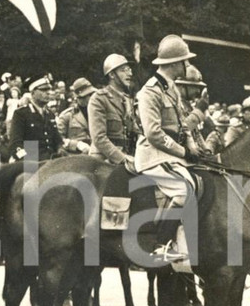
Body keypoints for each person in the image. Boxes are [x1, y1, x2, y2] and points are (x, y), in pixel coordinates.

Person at [135, 34, 212, 263]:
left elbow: (182, 124)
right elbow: (153, 133)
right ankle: (161, 244)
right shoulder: (149, 91)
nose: (186, 65)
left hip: (172, 154)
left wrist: (192, 147)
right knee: (183, 189)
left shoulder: (172, 90)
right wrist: (183, 152)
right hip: (152, 155)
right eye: (184, 61)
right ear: (172, 63)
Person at [88, 53, 138, 167]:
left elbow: (135, 131)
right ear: (112, 74)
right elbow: (99, 138)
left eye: (129, 69)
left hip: (126, 157)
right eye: (123, 70)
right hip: (102, 160)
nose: (129, 73)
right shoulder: (99, 99)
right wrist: (122, 159)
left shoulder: (127, 100)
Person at [10, 76, 62, 160]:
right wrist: (27, 160)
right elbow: (15, 144)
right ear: (33, 93)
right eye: (43, 90)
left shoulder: (50, 114)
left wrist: (60, 149)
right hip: (32, 161)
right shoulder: (21, 114)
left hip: (51, 160)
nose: (48, 92)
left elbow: (58, 140)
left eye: (49, 89)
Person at [56, 78, 94, 155]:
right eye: (88, 95)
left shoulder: (99, 113)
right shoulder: (67, 115)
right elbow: (58, 140)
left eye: (92, 94)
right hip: (76, 155)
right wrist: (76, 145)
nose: (92, 98)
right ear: (79, 97)